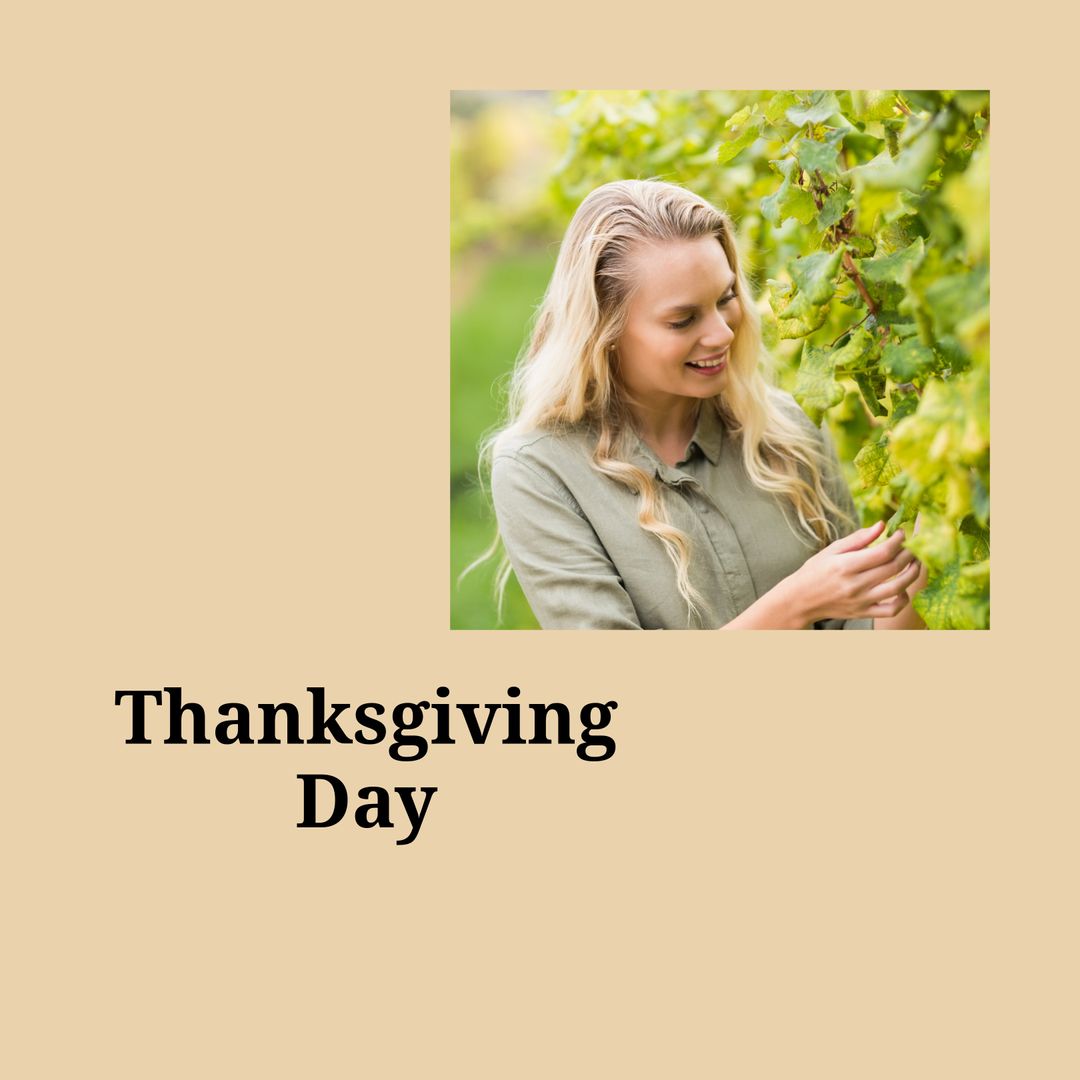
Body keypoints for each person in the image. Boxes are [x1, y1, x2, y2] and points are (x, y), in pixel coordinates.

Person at [479, 179, 927, 629]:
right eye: (683, 319)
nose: (722, 334)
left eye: (726, 298)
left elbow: (858, 630)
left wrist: (931, 539)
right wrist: (795, 604)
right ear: (604, 332)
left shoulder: (785, 427)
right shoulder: (540, 470)